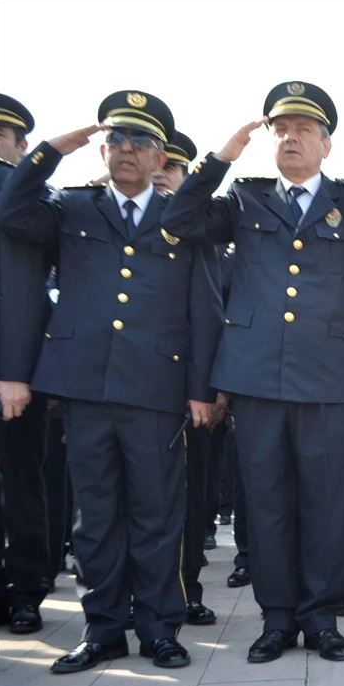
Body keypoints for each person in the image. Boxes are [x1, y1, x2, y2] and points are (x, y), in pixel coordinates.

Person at [161, 81, 344, 662]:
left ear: (326, 144)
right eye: (280, 129)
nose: (290, 138)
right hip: (257, 377)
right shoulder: (243, 198)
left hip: (328, 377)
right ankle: (277, 619)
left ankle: (321, 618)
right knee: (264, 502)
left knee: (327, 502)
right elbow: (181, 219)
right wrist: (221, 157)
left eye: (303, 129)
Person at [0, 90, 222, 671]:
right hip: (85, 388)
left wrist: (200, 387)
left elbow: (203, 307)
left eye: (141, 142)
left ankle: (157, 625)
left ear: (159, 156)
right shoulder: (71, 208)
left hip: (155, 388)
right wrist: (49, 150)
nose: (127, 150)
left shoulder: (182, 215)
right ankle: (101, 629)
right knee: (93, 517)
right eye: (117, 139)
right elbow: (10, 210)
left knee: (156, 513)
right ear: (102, 148)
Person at [153, 129, 224, 627]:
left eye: (172, 168)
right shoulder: (98, 214)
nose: (159, 172)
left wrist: (210, 388)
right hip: (122, 386)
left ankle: (184, 590)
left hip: (186, 391)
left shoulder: (200, 233)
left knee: (186, 499)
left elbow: (212, 314)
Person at [0, 93, 57, 634]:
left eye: (0, 138)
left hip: (16, 367)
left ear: (22, 148)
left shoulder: (32, 202)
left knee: (22, 481)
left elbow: (28, 294)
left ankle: (26, 589)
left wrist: (16, 369)